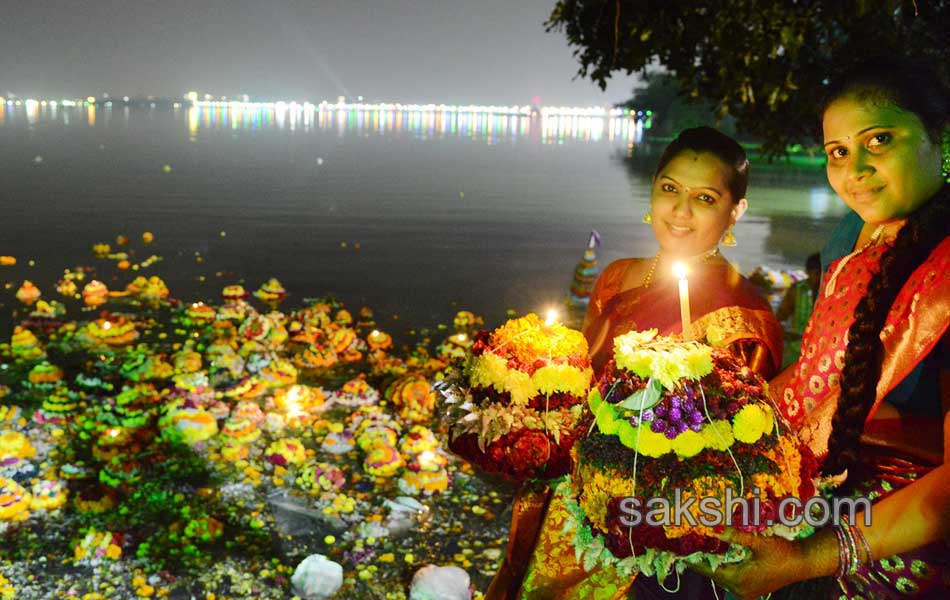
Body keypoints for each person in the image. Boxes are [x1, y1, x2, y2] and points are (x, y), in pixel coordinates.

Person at [484, 127, 784, 600]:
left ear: (735, 211)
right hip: (571, 492)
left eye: (704, 198)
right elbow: (581, 375)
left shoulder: (742, 317)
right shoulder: (618, 275)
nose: (680, 212)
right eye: (670, 189)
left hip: (654, 531)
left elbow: (733, 454)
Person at [697, 58, 950, 598]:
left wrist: (806, 558)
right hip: (817, 490)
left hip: (891, 544)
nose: (854, 169)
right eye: (838, 152)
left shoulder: (944, 272)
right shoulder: (852, 233)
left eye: (878, 140)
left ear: (939, 138)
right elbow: (821, 373)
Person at [775, 252, 821, 367]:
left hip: (818, 353)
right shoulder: (797, 290)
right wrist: (786, 335)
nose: (819, 277)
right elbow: (779, 318)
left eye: (822, 273)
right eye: (816, 273)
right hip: (795, 352)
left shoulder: (828, 291)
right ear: (808, 273)